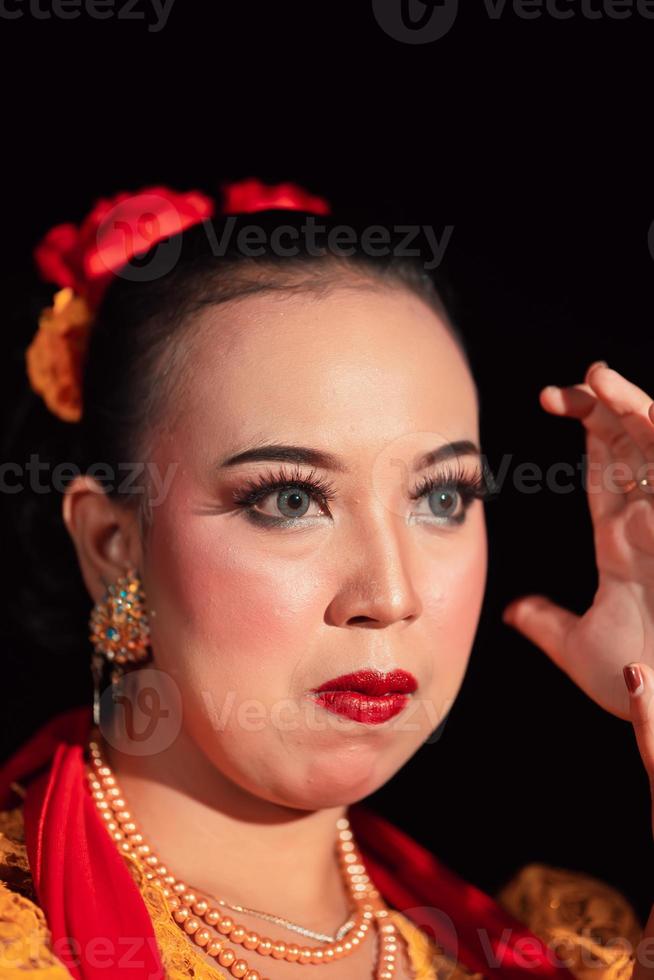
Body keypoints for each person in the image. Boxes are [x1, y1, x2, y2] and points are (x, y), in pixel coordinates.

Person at [0, 178, 650, 980]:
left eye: (441, 496)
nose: (390, 596)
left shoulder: (541, 951)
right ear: (112, 544)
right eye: (291, 498)